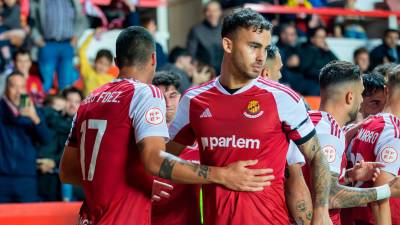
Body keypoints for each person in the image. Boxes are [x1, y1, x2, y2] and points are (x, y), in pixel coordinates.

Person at [59, 26, 274, 225]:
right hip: (123, 218)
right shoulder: (145, 92)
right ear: (154, 58)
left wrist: (128, 181)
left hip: (89, 218)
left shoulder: (89, 100)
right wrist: (222, 175)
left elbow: (67, 171)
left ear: (116, 61)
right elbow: (154, 160)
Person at [169, 8, 332, 225]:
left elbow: (317, 157)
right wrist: (216, 174)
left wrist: (321, 212)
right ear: (228, 45)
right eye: (253, 46)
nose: (260, 57)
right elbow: (163, 157)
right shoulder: (194, 100)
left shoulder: (283, 98)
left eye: (264, 49)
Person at [349, 65, 400, 225]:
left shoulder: (367, 123)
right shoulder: (394, 132)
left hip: (357, 215)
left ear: (386, 90)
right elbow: (380, 194)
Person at [151, 71, 201, 225]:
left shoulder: (201, 139)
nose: (167, 103)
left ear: (182, 98)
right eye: (161, 97)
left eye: (173, 95)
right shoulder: (145, 143)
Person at [0, 71, 51, 202]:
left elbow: (46, 140)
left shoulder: (35, 111)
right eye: (13, 86)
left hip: (26, 177)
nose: (18, 92)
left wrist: (34, 118)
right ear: (6, 88)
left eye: (21, 87)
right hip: (2, 178)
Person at [30, 0, 87, 92]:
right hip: (47, 44)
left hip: (67, 45)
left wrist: (76, 36)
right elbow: (31, 21)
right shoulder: (39, 2)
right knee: (45, 83)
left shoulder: (72, 2)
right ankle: (43, 104)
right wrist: (37, 38)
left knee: (66, 84)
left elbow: (83, 20)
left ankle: (64, 105)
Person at [276, 23, 319, 95]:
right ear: (283, 35)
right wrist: (285, 64)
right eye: (292, 35)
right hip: (287, 84)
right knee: (314, 88)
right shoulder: (276, 51)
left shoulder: (295, 47)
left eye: (295, 34)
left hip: (300, 81)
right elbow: (275, 74)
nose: (295, 37)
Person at [187, 0, 223, 74]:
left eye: (215, 11)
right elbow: (191, 54)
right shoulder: (196, 30)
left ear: (220, 12)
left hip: (224, 72)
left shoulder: (225, 28)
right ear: (204, 13)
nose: (212, 14)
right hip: (205, 73)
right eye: (209, 11)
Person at [300, 26, 338, 92]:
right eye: (320, 37)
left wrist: (329, 51)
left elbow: (339, 65)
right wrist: (325, 74)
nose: (323, 40)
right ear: (312, 38)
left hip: (326, 82)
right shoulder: (307, 50)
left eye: (324, 37)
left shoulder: (325, 51)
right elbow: (307, 69)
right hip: (312, 83)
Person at [79, 29, 115, 97]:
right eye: (100, 62)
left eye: (106, 64)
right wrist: (92, 35)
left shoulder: (112, 80)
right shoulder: (87, 71)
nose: (102, 66)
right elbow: (81, 51)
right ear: (95, 61)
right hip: (87, 106)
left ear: (110, 66)